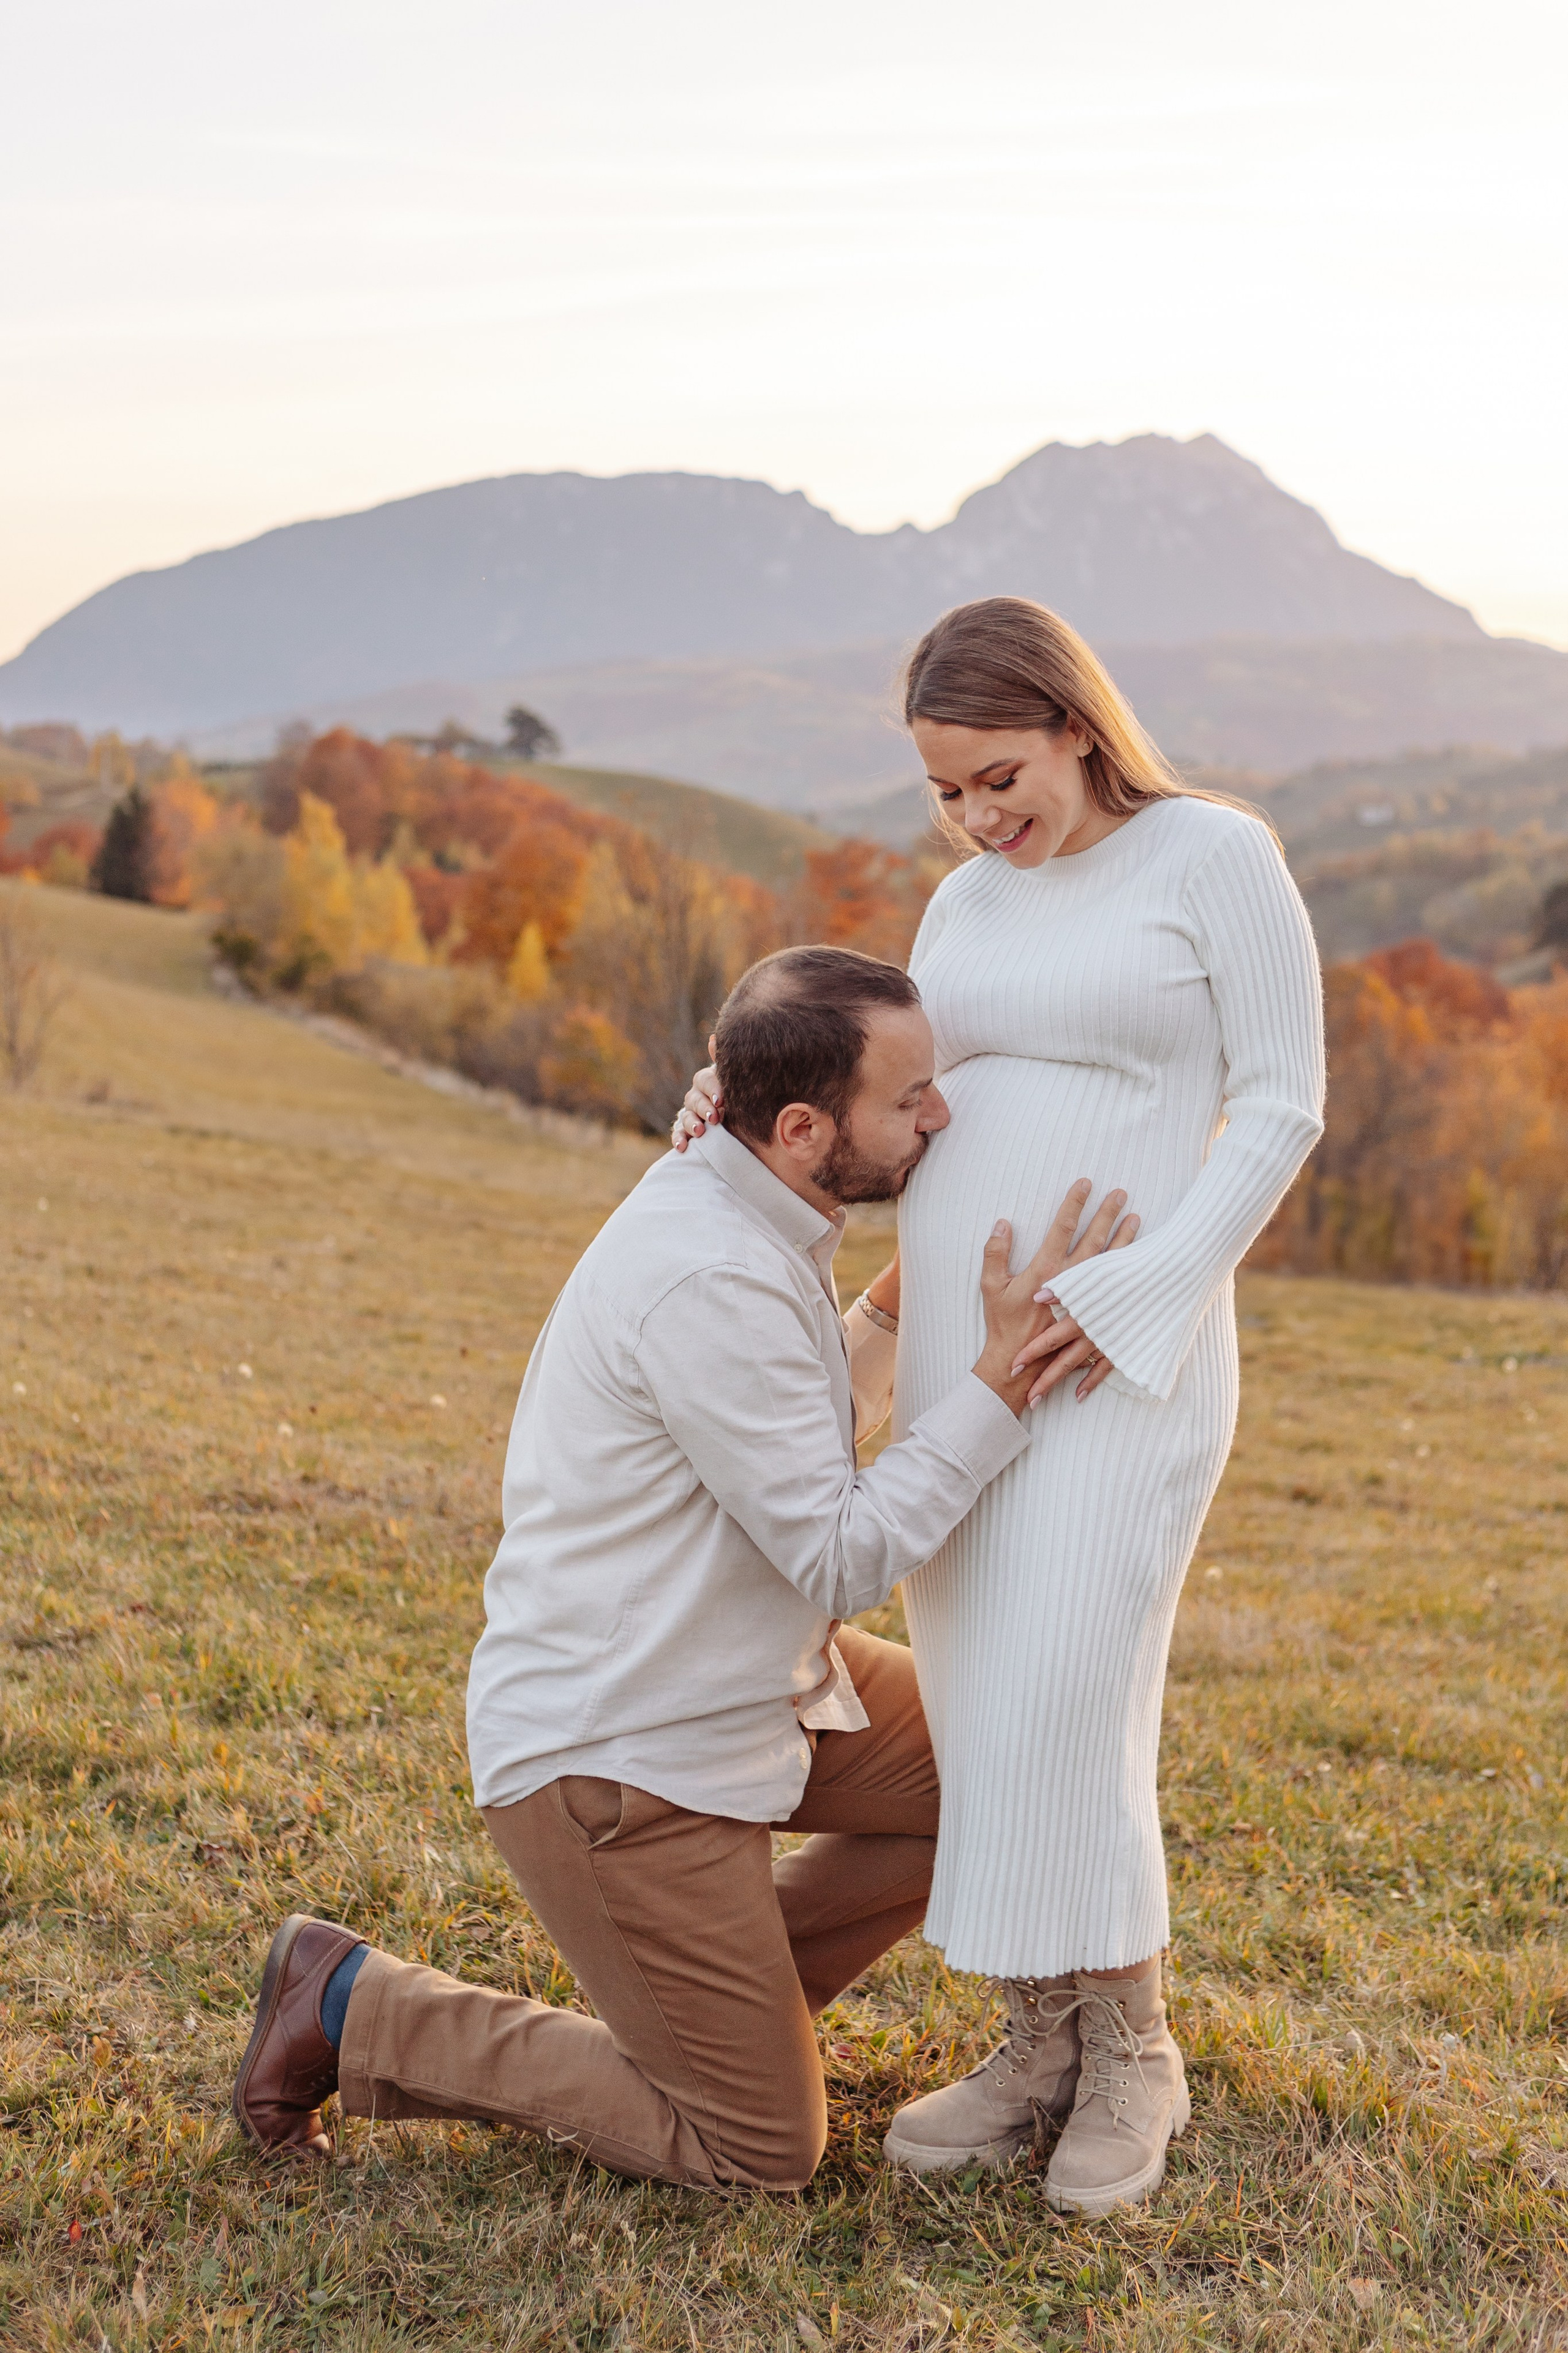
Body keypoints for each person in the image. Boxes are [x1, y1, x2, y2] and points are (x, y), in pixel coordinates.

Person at [231, 944, 1137, 2189]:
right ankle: (352, 2005)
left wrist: (913, 1285)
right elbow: (840, 1552)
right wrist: (999, 1380)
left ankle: (723, 2020)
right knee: (759, 2148)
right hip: (622, 1755)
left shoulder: (751, 1196)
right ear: (804, 1127)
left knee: (1001, 1748)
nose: (940, 1114)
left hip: (747, 1682)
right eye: (909, 1098)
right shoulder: (707, 1271)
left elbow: (796, 1417)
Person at [673, 597, 1325, 2215]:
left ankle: (1135, 2051)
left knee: (1067, 1692)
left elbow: (1281, 1106)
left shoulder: (1213, 857)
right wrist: (745, 1096)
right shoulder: (966, 903)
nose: (974, 817)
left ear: (1073, 727)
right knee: (980, 1698)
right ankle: (1040, 2041)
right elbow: (909, 1090)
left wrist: (1137, 1292)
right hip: (971, 1364)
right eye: (945, 792)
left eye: (997, 777)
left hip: (1120, 1357)